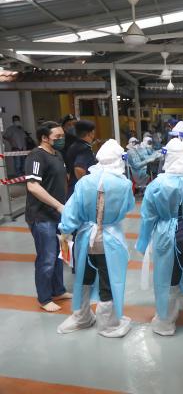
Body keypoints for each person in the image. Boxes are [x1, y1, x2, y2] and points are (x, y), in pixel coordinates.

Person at [136, 138, 183, 336]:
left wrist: (143, 243)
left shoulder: (157, 184)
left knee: (168, 278)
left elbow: (148, 216)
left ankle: (165, 322)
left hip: (165, 236)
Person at [57, 139, 135, 337]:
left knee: (84, 277)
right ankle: (108, 324)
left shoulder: (84, 182)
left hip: (85, 239)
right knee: (109, 280)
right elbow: (128, 207)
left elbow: (71, 211)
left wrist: (65, 231)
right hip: (111, 239)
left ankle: (82, 316)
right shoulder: (124, 184)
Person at [24, 121, 71, 312]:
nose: (61, 140)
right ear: (44, 138)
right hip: (42, 216)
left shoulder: (57, 154)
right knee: (47, 257)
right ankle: (44, 298)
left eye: (62, 136)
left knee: (59, 254)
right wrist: (58, 205)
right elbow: (33, 186)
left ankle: (58, 290)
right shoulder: (36, 156)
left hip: (58, 215)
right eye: (57, 137)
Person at [65, 120, 97, 197]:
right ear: (90, 134)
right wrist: (87, 187)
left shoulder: (74, 146)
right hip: (81, 192)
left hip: (73, 189)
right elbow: (79, 169)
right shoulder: (84, 149)